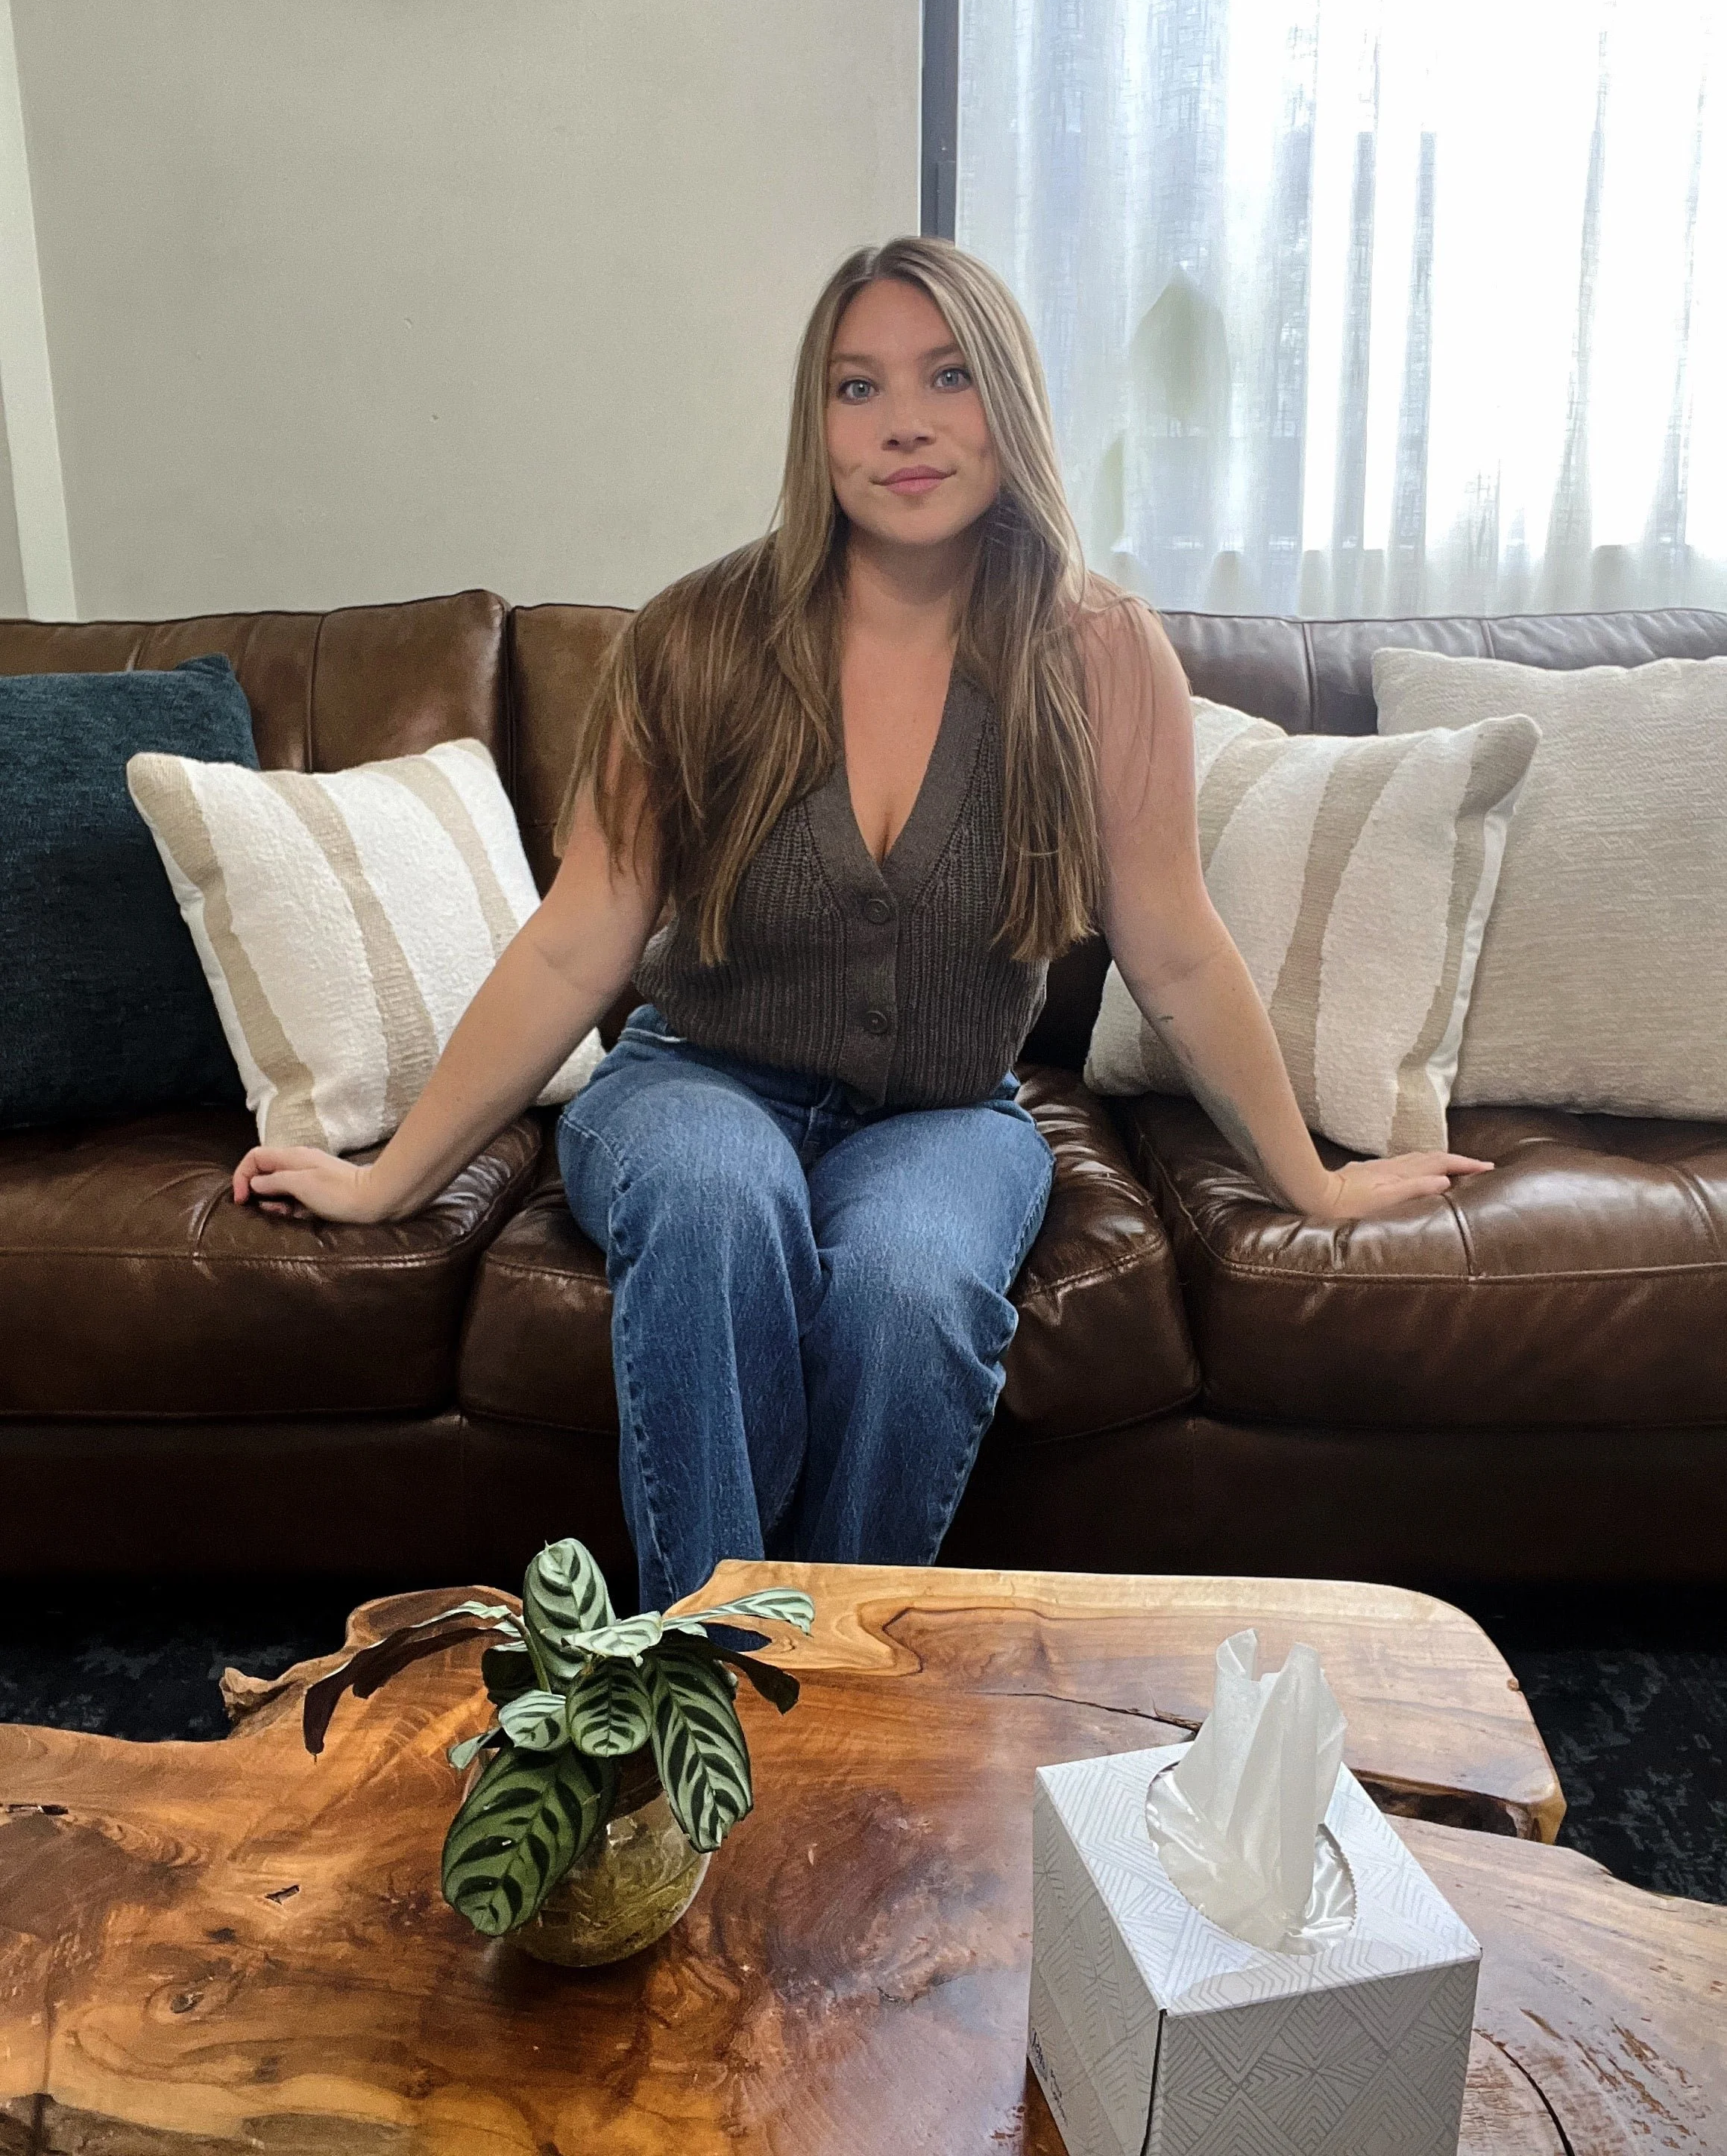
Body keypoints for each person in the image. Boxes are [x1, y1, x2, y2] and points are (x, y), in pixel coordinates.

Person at [233, 236, 1491, 1609]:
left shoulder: (1098, 649)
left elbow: (1175, 944)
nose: (903, 422)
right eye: (857, 386)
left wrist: (1311, 1181)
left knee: (912, 1291)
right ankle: (703, 1667)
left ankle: (821, 1679)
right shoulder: (695, 638)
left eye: (948, 377)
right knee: (718, 1200)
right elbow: (577, 937)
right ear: (815, 421)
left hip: (946, 1116)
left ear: (1008, 399)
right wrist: (387, 1181)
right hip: (694, 1084)